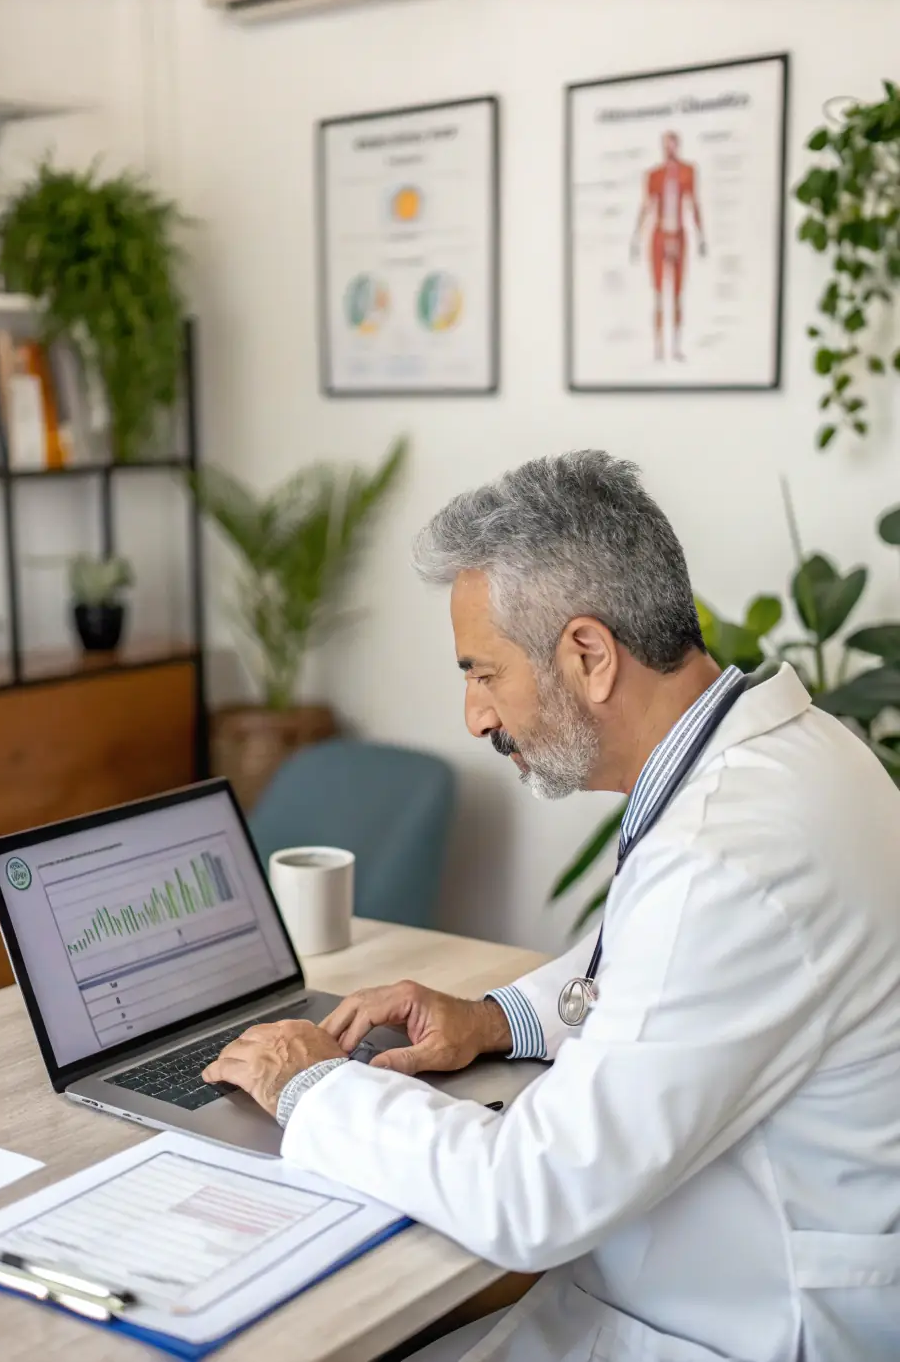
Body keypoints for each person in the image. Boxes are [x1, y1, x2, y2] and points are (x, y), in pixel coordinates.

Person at [203, 452, 900, 1362]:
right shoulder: (792, 756)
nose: (474, 717)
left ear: (589, 655)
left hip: (747, 1325)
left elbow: (529, 1196)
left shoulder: (724, 853)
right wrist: (494, 1017)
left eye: (483, 673)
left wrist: (313, 1087)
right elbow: (658, 960)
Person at [631, 130, 706, 362]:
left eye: (672, 145)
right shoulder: (654, 174)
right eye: (666, 145)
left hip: (679, 233)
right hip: (659, 234)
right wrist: (636, 235)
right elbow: (647, 205)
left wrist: (701, 235)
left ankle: (675, 346)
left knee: (677, 293)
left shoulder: (687, 172)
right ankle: (658, 348)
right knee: (657, 293)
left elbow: (693, 203)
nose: (669, 149)